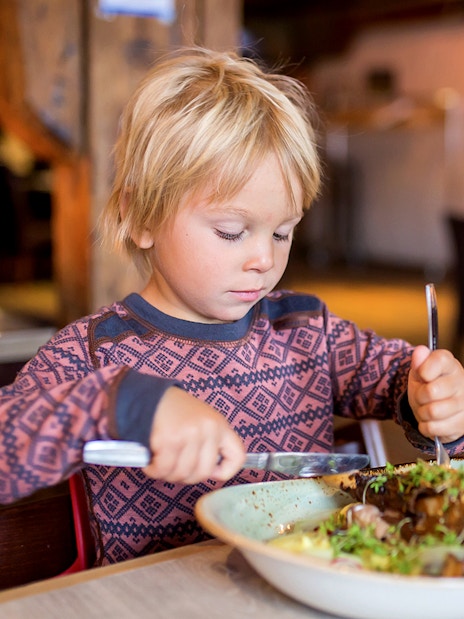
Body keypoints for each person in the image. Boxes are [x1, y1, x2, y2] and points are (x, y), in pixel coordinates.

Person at [1, 47, 464, 567]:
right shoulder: (92, 354)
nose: (264, 259)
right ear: (140, 218)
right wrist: (121, 402)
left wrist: (434, 400)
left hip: (304, 584)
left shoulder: (307, 329)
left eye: (283, 231)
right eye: (231, 231)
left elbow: (403, 381)